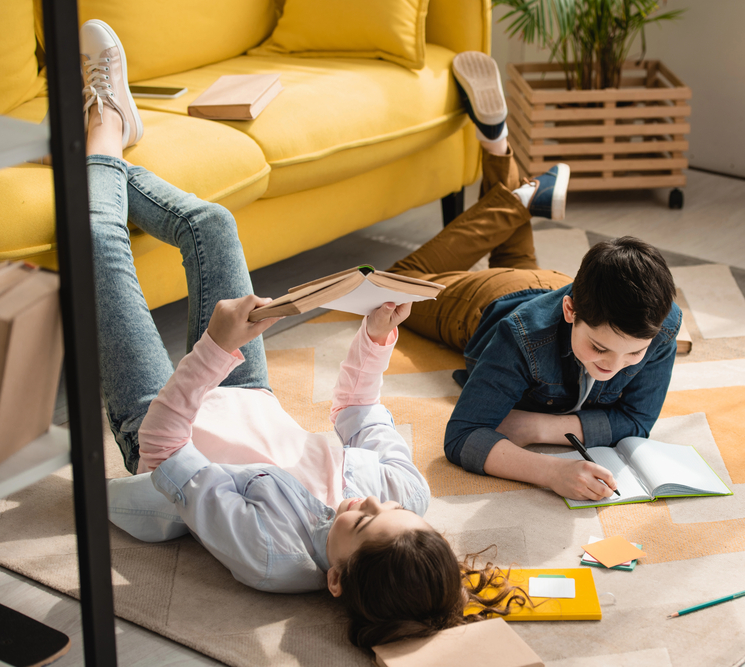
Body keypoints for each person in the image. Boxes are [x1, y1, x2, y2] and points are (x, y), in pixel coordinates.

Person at [78, 20, 527, 648]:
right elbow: (358, 413)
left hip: (157, 417)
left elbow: (164, 452)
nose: (367, 503)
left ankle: (101, 128)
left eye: (361, 523)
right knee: (213, 225)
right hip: (249, 391)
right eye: (388, 510)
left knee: (98, 245)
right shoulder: (406, 497)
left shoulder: (269, 553)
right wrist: (375, 339)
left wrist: (213, 348)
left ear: (336, 580)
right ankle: (112, 146)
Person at [386, 52, 682, 503]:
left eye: (633, 353)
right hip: (489, 302)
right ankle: (520, 195)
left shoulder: (658, 324)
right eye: (600, 347)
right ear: (571, 310)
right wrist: (550, 473)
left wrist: (537, 426)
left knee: (514, 252)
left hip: (552, 282)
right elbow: (462, 436)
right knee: (398, 285)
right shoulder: (521, 336)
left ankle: (501, 152)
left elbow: (638, 420)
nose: (612, 367)